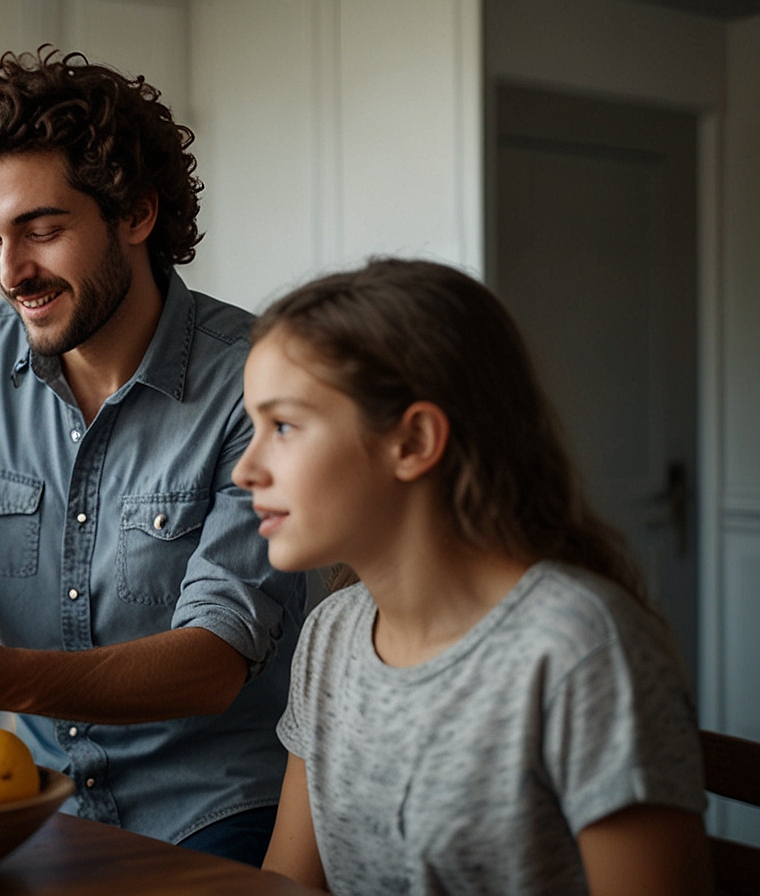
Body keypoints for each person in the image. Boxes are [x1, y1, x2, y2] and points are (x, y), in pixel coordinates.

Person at [0, 46, 307, 864]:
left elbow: (216, 658)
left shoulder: (257, 381)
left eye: (42, 230)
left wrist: (5, 679)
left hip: (216, 810)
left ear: (136, 214)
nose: (12, 271)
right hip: (25, 798)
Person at [234, 258, 710, 894]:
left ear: (414, 441)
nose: (246, 469)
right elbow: (288, 884)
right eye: (254, 428)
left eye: (284, 426)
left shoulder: (581, 649)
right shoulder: (330, 635)